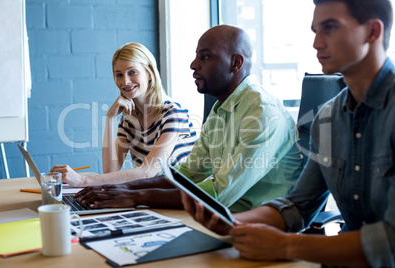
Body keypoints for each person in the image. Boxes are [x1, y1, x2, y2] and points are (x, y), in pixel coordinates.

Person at [182, 0, 395, 267]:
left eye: (329, 28)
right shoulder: (328, 117)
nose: (316, 42)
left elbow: (390, 239)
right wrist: (229, 222)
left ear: (372, 32)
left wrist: (287, 245)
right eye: (315, 30)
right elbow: (298, 207)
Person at [75, 25, 303, 212]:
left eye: (205, 57)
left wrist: (137, 195)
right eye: (196, 57)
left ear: (236, 63)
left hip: (263, 225)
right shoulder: (220, 110)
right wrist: (126, 191)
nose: (193, 65)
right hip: (223, 216)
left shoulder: (261, 112)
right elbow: (187, 174)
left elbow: (219, 193)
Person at [51, 43, 197, 187]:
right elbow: (110, 170)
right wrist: (109, 119)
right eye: (119, 75)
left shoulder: (173, 113)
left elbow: (148, 172)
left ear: (149, 73)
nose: (125, 81)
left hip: (187, 199)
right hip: (156, 195)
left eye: (132, 72)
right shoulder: (129, 119)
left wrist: (83, 181)